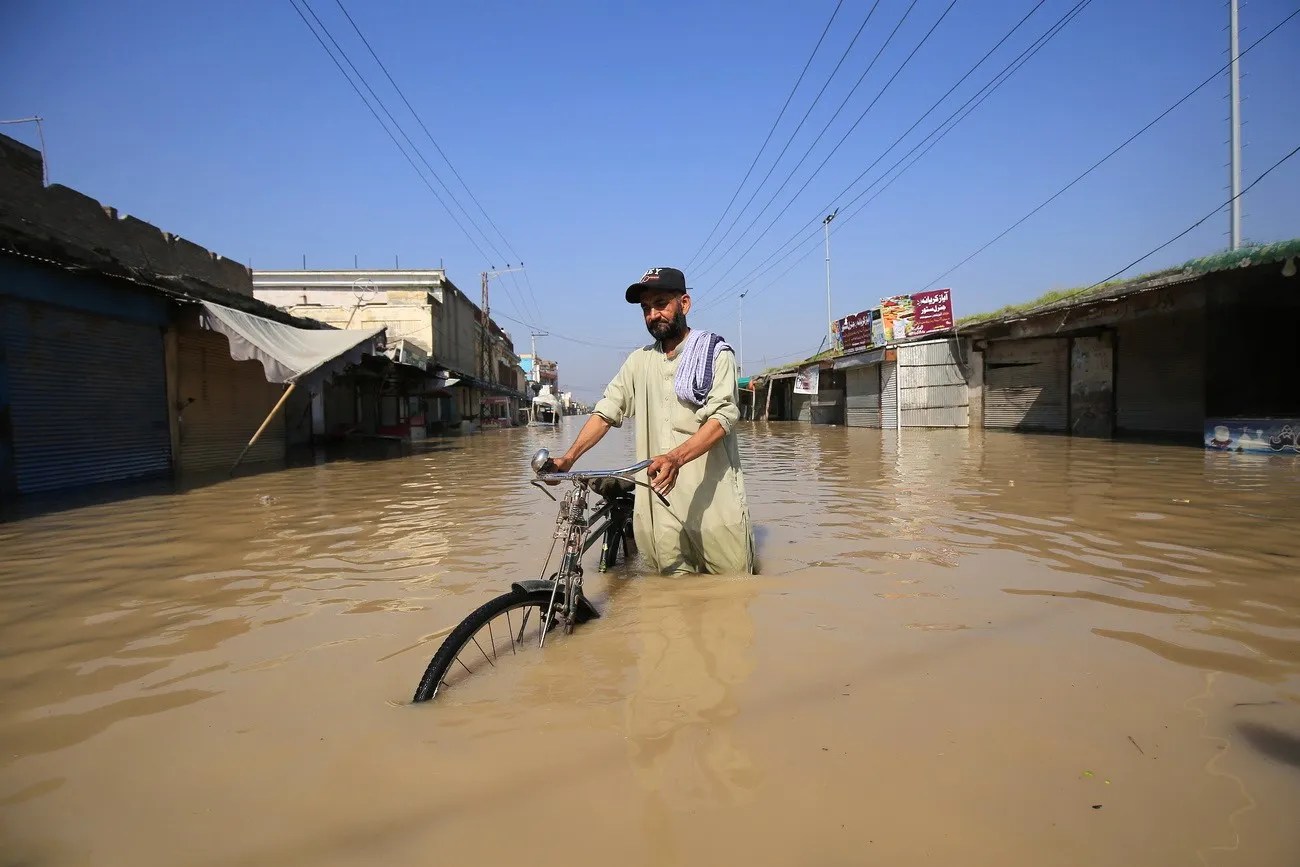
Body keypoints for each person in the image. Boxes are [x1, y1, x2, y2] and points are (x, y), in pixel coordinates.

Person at [545, 267, 755, 575]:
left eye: (660, 304)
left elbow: (723, 417)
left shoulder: (715, 355)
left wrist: (675, 457)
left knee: (731, 599)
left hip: (714, 506)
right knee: (668, 604)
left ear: (684, 304)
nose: (652, 314)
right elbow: (606, 411)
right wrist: (567, 459)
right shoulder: (638, 363)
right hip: (659, 509)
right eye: (646, 308)